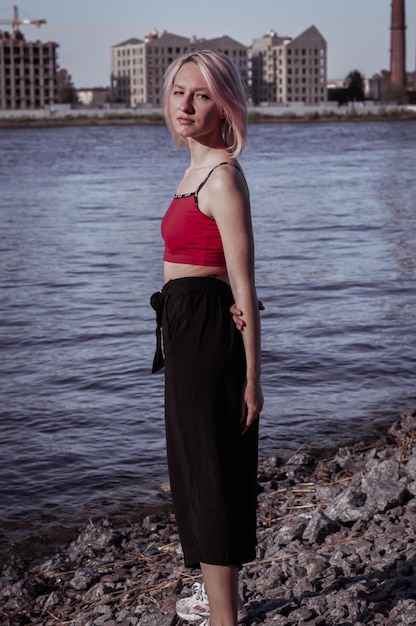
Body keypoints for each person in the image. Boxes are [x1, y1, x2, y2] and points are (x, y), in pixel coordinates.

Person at [151, 48, 263, 626]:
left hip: (207, 336)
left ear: (224, 105)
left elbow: (244, 285)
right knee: (198, 467)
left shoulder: (222, 179)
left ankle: (224, 617)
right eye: (178, 93)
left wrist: (253, 380)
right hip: (186, 329)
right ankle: (217, 599)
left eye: (201, 95)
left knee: (213, 471)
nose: (187, 105)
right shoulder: (194, 169)